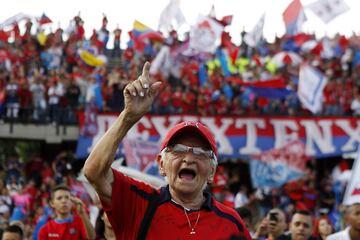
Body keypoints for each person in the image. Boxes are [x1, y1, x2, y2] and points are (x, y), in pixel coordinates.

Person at [84, 62, 251, 239]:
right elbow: (94, 172)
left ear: (212, 172)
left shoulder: (231, 222)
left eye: (200, 153)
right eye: (178, 150)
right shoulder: (138, 203)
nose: (189, 159)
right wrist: (128, 116)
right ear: (161, 164)